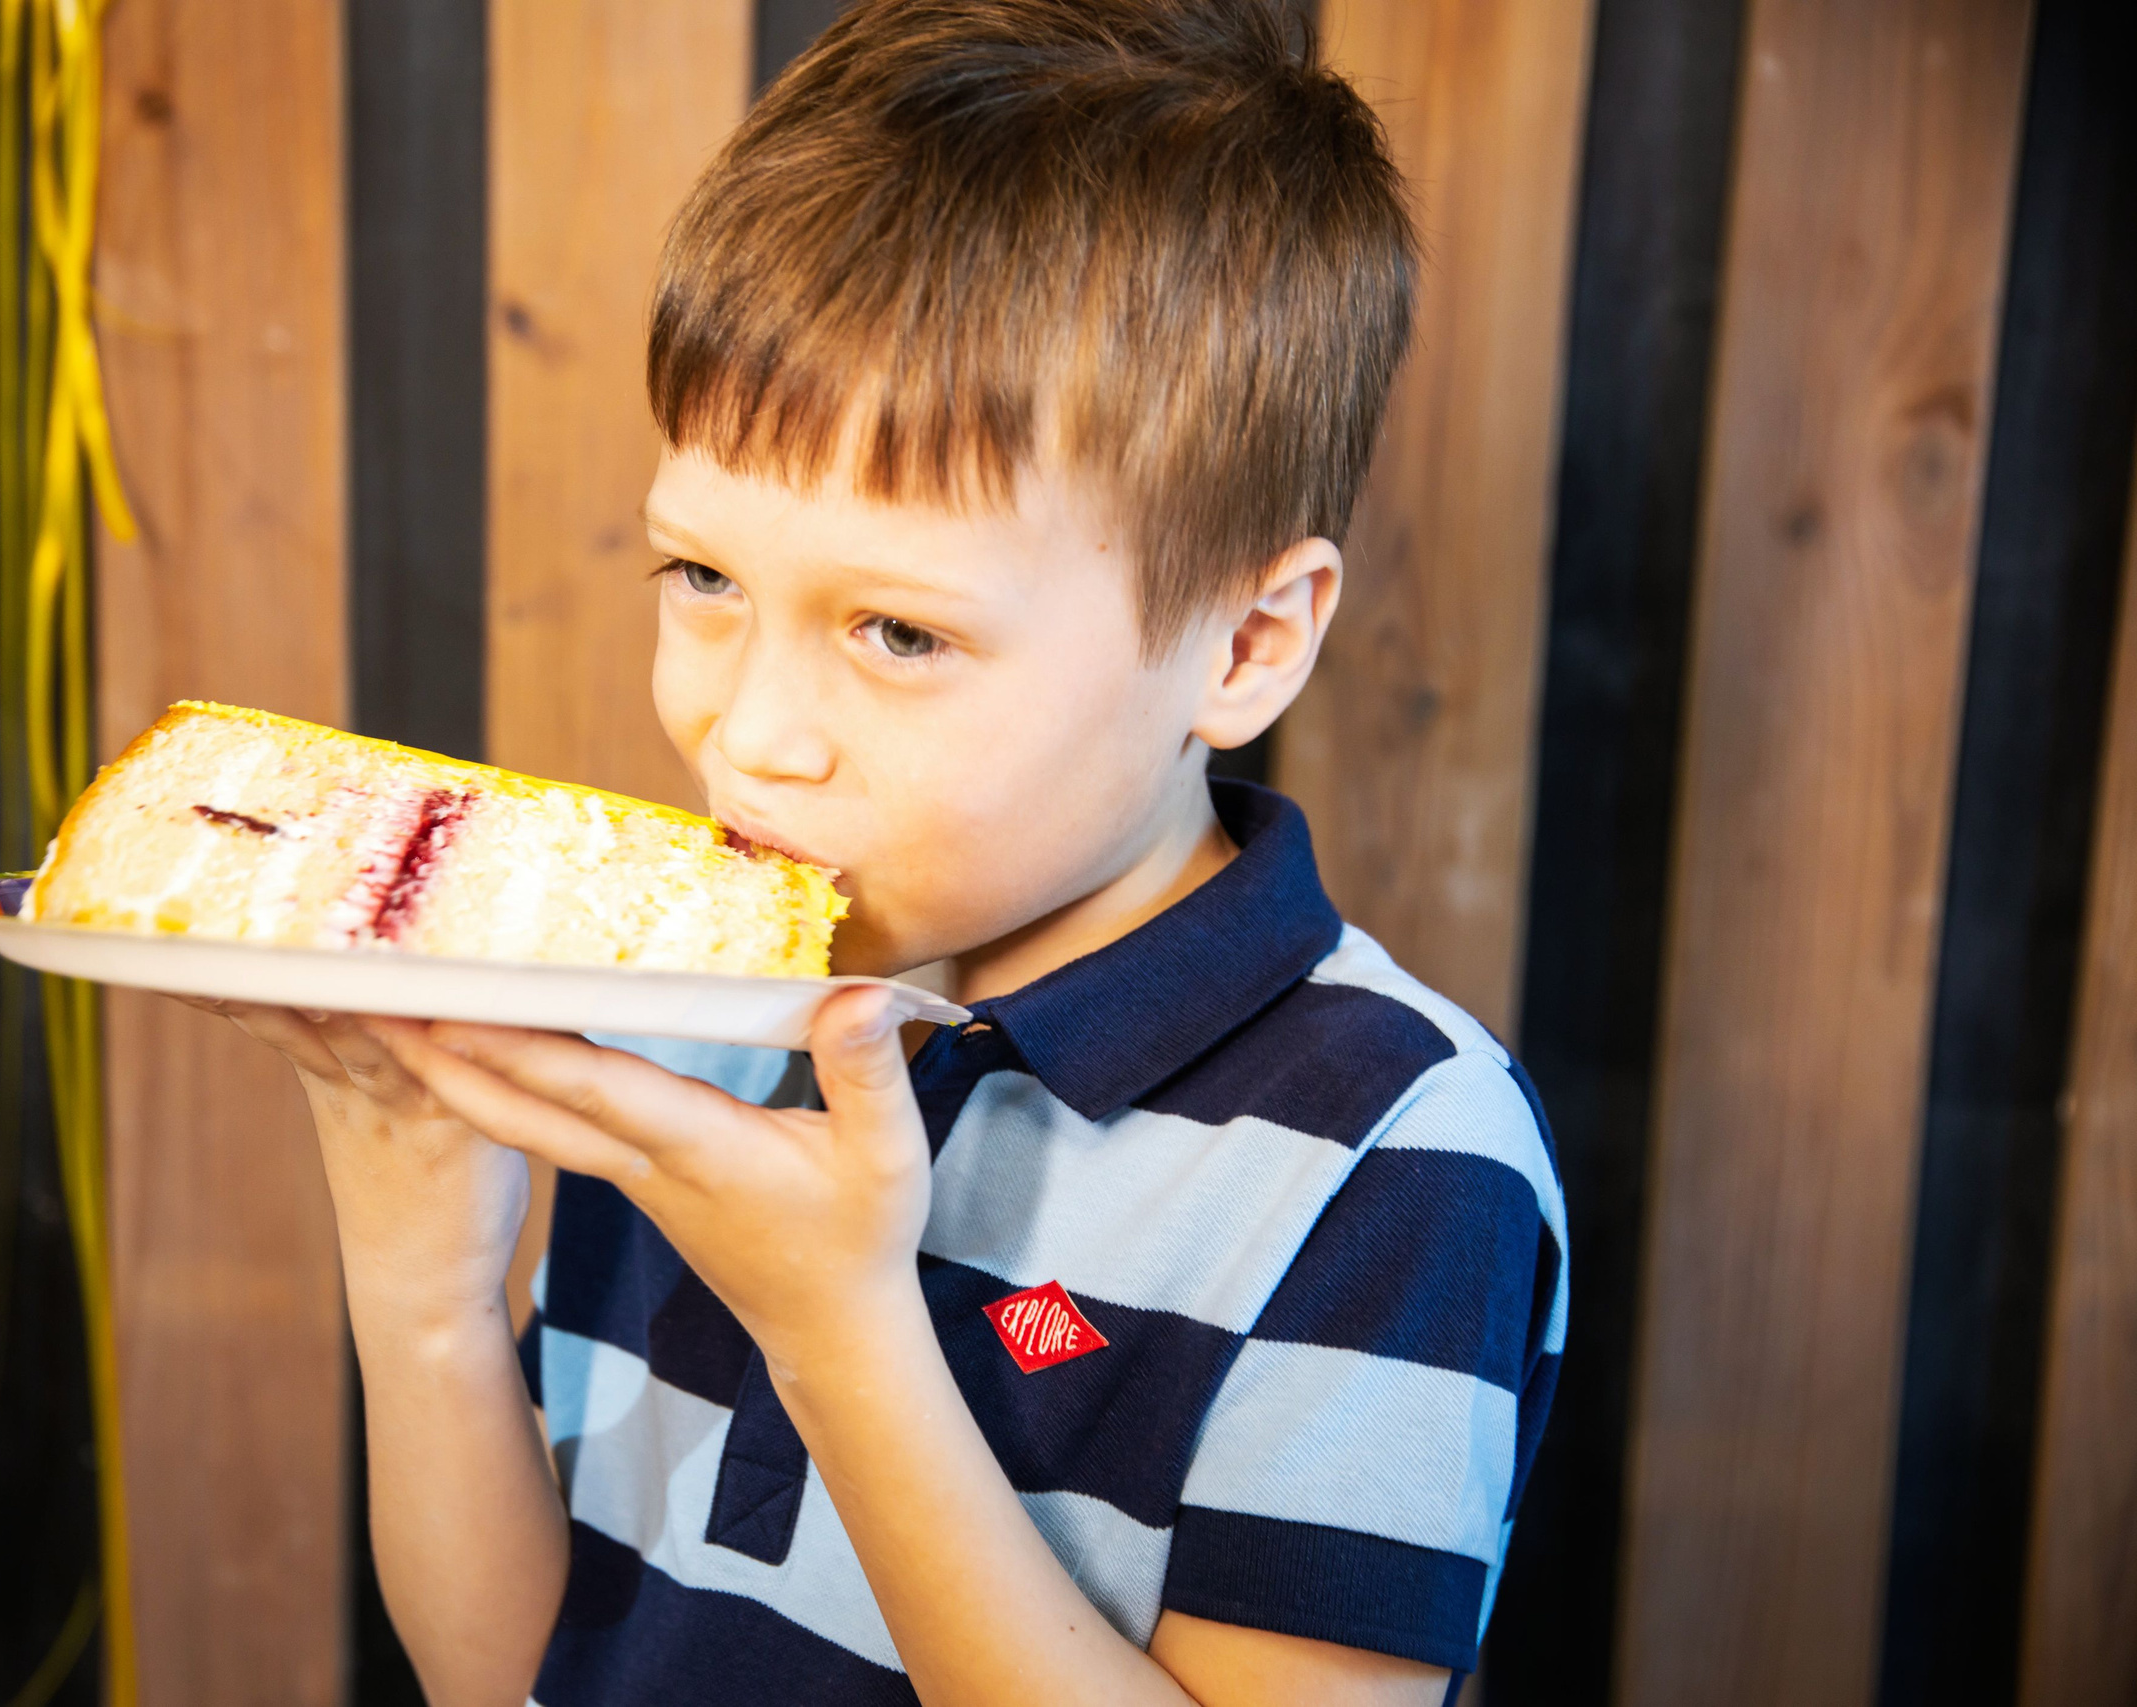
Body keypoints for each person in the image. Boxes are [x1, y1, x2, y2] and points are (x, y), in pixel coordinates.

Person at [198, 3, 1563, 1701]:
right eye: (704, 580)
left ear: (1244, 644)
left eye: (900, 633)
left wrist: (839, 1329)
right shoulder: (691, 1014)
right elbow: (514, 1676)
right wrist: (424, 1281)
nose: (749, 734)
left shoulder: (1395, 1157)